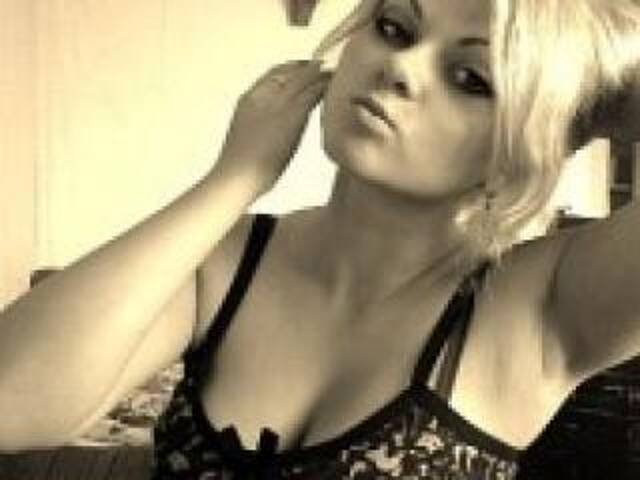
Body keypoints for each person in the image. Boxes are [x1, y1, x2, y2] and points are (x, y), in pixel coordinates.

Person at [2, 0, 640, 478]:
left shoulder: (543, 304)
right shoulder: (228, 259)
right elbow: (11, 405)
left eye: (472, 78)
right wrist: (233, 178)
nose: (401, 66)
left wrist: (589, 67)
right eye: (395, 27)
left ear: (533, 145)